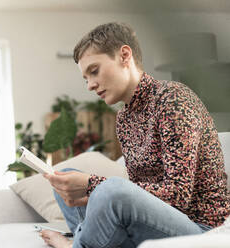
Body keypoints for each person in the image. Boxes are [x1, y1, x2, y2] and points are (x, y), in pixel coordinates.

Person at [39, 22, 230, 248]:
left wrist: (93, 185)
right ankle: (92, 239)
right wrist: (91, 191)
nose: (90, 85)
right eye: (86, 78)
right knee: (64, 176)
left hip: (201, 229)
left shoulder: (173, 99)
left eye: (94, 71)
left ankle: (75, 245)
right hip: (155, 225)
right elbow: (140, 193)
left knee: (110, 189)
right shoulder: (124, 119)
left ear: (124, 56)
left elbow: (178, 196)